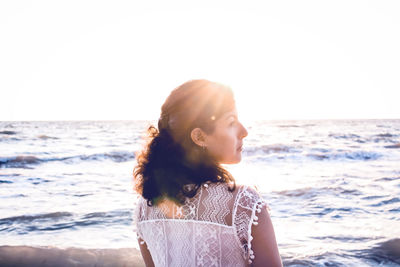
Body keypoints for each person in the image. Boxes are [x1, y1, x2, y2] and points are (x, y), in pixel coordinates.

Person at [133, 79, 282, 267]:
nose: (244, 131)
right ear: (199, 137)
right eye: (231, 122)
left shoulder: (145, 209)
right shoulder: (243, 205)